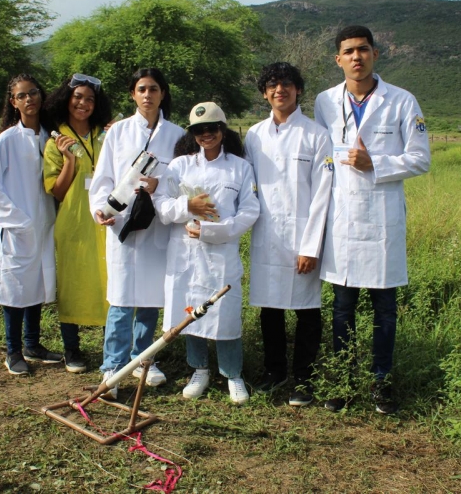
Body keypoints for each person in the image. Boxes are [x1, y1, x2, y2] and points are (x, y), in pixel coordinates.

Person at [314, 25, 431, 414]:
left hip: (382, 220)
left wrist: (375, 163)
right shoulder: (325, 102)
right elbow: (323, 157)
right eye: (348, 51)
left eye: (363, 49)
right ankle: (344, 382)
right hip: (343, 220)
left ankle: (381, 383)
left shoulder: (401, 101)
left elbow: (420, 159)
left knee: (385, 309)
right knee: (342, 308)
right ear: (338, 59)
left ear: (375, 54)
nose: (356, 57)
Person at [89, 68, 185, 398]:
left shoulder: (176, 134)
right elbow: (103, 177)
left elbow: (183, 177)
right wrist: (101, 209)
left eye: (154, 89)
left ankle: (144, 359)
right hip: (122, 224)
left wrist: (162, 181)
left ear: (162, 94)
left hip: (156, 225)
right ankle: (113, 367)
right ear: (133, 94)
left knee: (150, 298)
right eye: (141, 89)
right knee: (121, 297)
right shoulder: (118, 133)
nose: (147, 95)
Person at [155, 102, 259, 405]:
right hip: (186, 253)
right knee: (190, 311)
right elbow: (162, 205)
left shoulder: (240, 167)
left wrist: (213, 231)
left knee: (225, 315)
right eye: (199, 130)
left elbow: (249, 211)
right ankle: (198, 369)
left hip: (221, 254)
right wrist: (187, 207)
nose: (206, 134)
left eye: (212, 128)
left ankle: (232, 373)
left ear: (222, 129)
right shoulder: (180, 166)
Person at [244, 62, 333, 407]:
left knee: (307, 310)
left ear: (298, 90)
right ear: (265, 94)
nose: (279, 90)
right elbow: (246, 185)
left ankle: (304, 379)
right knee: (270, 309)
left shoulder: (316, 135)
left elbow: (323, 193)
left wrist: (311, 246)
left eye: (286, 84)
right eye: (272, 85)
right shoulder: (255, 135)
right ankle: (275, 371)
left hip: (302, 237)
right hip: (267, 236)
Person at [0, 73, 63, 375]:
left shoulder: (50, 138)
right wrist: (15, 219)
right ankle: (13, 350)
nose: (29, 99)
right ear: (13, 102)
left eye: (34, 92)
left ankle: (32, 344)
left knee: (36, 283)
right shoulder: (8, 140)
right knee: (16, 289)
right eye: (22, 95)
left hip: (44, 224)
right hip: (18, 226)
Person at [43, 74, 114, 373]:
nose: (83, 103)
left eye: (90, 99)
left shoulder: (106, 134)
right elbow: (57, 191)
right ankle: (72, 349)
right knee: (72, 284)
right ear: (66, 100)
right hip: (74, 222)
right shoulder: (56, 140)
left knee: (110, 281)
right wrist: (69, 160)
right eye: (78, 97)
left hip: (106, 218)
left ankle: (112, 348)